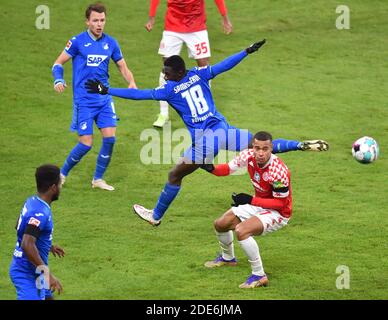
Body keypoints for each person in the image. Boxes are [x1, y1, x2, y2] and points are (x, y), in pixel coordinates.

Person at [85, 39, 328, 227]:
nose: (164, 76)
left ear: (177, 73)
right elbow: (223, 66)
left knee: (174, 175)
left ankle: (155, 216)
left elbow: (139, 95)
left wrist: (107, 90)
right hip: (223, 130)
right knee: (259, 144)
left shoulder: (168, 90)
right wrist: (246, 51)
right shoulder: (198, 74)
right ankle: (299, 145)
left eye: (166, 73)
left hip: (205, 142)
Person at [52, 2, 137, 191]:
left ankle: (98, 179)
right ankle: (62, 174)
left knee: (110, 138)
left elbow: (122, 66)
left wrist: (131, 82)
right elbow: (57, 63)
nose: (99, 24)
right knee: (86, 144)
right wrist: (58, 80)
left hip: (104, 99)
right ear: (87, 22)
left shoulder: (111, 43)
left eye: (102, 20)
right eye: (95, 20)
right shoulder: (77, 42)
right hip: (84, 101)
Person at [204, 131, 292, 289]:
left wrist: (250, 200)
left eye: (265, 149)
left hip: (278, 212)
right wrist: (211, 168)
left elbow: (280, 204)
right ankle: (227, 258)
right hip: (259, 203)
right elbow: (228, 168)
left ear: (271, 148)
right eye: (257, 148)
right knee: (221, 224)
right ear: (253, 147)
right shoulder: (248, 155)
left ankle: (259, 275)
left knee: (241, 230)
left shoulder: (278, 171)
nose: (260, 153)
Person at [145, 0, 233, 128]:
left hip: (196, 26)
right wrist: (151, 18)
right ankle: (163, 114)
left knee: (204, 66)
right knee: (166, 69)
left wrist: (224, 17)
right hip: (173, 26)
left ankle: (206, 109)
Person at [9, 164, 65, 300]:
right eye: (59, 184)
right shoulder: (40, 212)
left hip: (35, 271)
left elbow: (19, 226)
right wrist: (47, 274)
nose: (61, 187)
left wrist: (47, 245)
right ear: (53, 188)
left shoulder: (32, 201)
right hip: (26, 273)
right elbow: (27, 245)